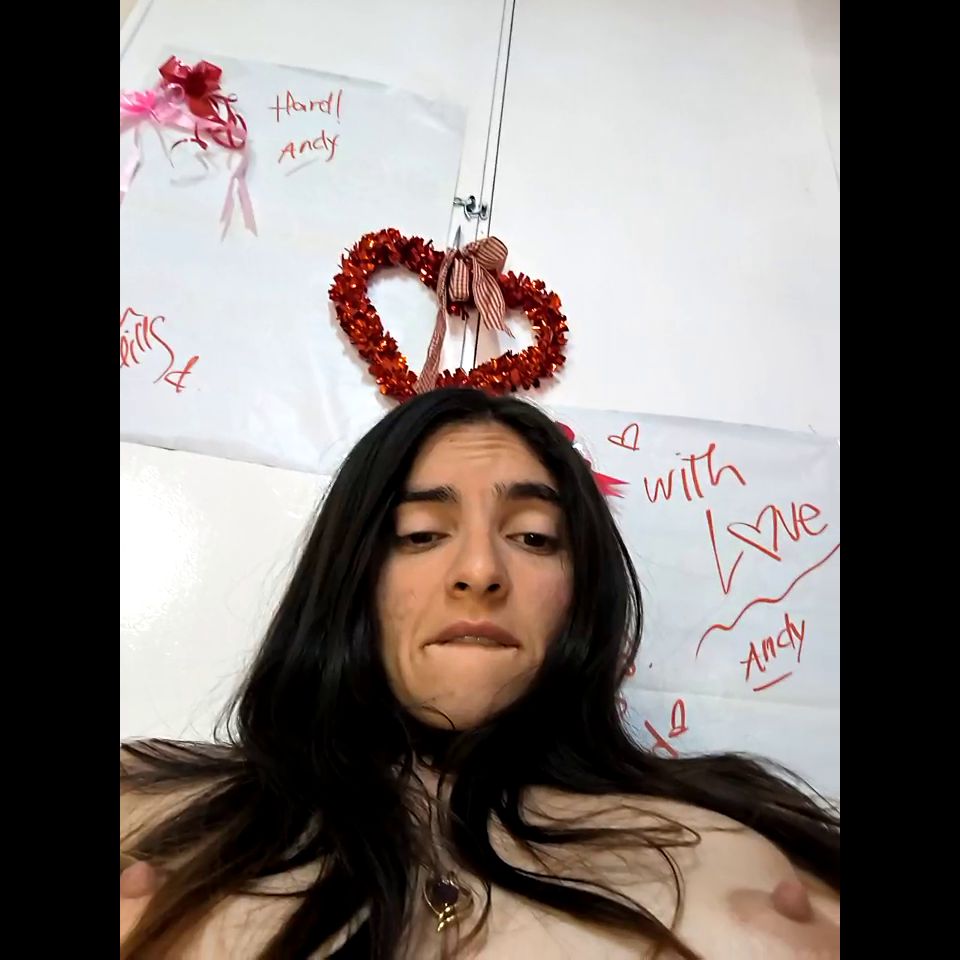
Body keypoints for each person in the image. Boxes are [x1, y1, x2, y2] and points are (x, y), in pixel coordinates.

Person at [120, 387, 839, 958]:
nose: (479, 570)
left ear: (583, 592)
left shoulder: (748, 830)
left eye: (533, 537)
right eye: (420, 535)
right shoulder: (147, 801)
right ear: (349, 577)